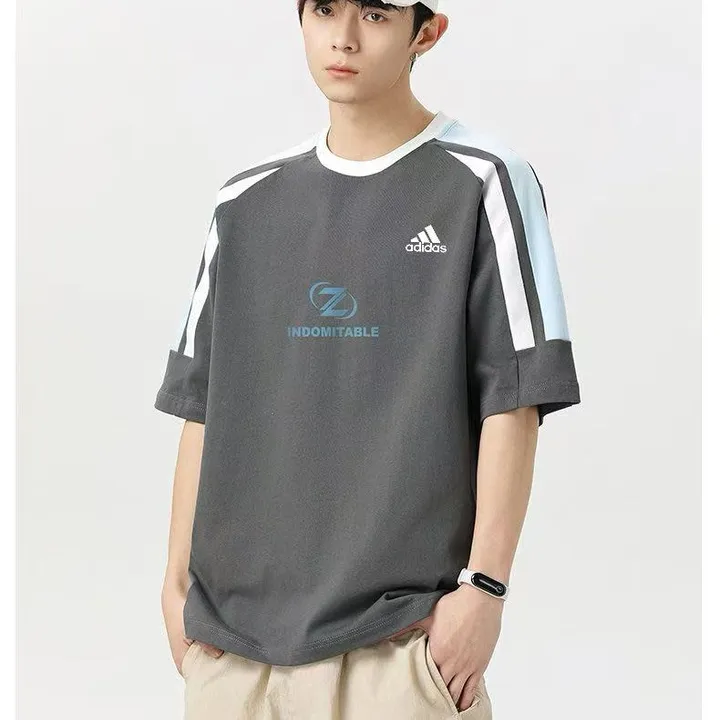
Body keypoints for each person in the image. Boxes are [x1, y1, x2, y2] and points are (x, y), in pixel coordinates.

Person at [155, 1, 581, 718]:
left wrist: (484, 589)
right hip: (233, 650)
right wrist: (174, 588)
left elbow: (515, 397)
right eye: (325, 9)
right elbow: (202, 405)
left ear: (427, 32)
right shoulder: (244, 203)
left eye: (377, 15)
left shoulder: (483, 180)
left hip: (399, 645)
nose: (344, 38)